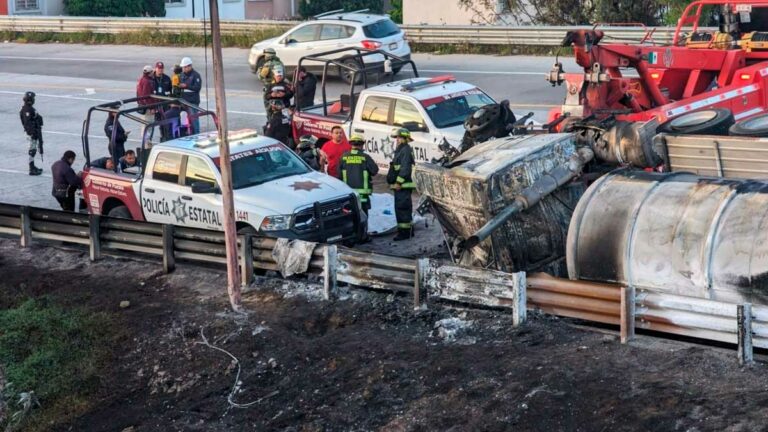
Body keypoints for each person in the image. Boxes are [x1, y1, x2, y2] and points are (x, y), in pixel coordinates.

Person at [387, 128, 417, 241]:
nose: (397, 140)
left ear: (405, 138)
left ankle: (404, 233)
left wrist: (398, 182)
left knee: (402, 209)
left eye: (399, 138)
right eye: (397, 138)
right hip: (401, 185)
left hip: (402, 185)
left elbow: (405, 169)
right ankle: (409, 231)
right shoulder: (402, 149)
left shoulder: (405, 150)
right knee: (403, 209)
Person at [338, 134, 378, 216]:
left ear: (351, 144)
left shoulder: (343, 157)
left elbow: (339, 174)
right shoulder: (365, 157)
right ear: (362, 145)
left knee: (350, 215)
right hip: (363, 194)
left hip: (348, 193)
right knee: (363, 215)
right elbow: (374, 171)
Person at [19, 91, 44, 176]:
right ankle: (31, 168)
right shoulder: (27, 110)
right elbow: (27, 123)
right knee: (32, 150)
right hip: (31, 133)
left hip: (34, 131)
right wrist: (32, 133)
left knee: (33, 149)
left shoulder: (29, 108)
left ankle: (32, 166)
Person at [179, 57, 202, 134]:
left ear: (189, 66)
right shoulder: (181, 75)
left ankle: (196, 134)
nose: (184, 69)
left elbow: (197, 88)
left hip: (192, 102)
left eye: (185, 67)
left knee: (194, 119)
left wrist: (186, 86)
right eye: (183, 67)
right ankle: (187, 133)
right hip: (184, 101)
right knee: (184, 119)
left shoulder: (196, 75)